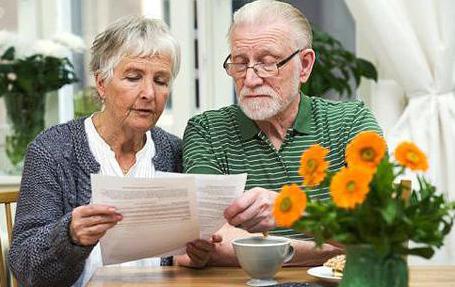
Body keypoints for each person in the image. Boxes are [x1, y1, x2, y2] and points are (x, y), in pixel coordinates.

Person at [8, 16, 216, 287]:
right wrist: (70, 236)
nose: (149, 93)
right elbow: (25, 267)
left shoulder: (175, 151)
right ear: (102, 84)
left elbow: (181, 263)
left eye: (161, 81)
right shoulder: (52, 150)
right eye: (133, 77)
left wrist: (196, 257)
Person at [182, 0, 382, 266]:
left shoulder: (351, 122)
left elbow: (381, 229)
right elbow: (210, 242)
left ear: (306, 65)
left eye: (267, 63)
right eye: (240, 63)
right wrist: (333, 249)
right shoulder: (207, 130)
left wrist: (292, 211)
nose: (250, 80)